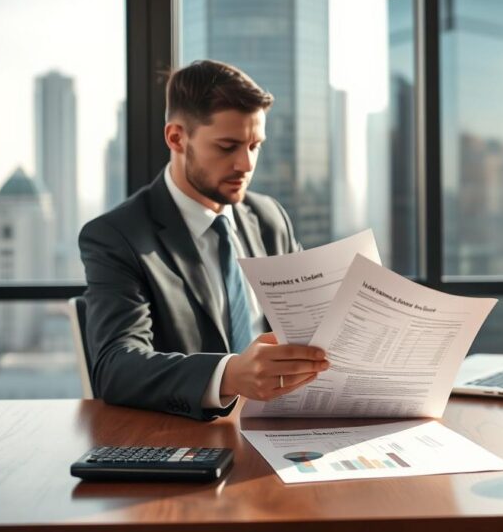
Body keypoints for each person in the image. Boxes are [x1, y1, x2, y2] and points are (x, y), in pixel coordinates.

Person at [78, 60, 329, 420]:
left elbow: (308, 322)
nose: (246, 164)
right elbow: (116, 367)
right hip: (186, 441)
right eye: (228, 146)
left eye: (255, 145)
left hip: (283, 426)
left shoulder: (269, 218)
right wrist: (229, 375)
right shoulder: (117, 237)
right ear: (177, 138)